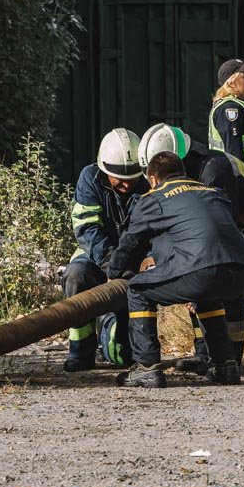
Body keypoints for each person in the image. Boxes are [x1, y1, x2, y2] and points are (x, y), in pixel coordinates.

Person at [102, 151, 244, 388]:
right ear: (182, 172)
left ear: (152, 179)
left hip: (203, 271)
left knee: (138, 290)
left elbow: (131, 242)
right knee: (207, 296)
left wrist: (114, 271)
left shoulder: (155, 198)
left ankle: (146, 367)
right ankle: (226, 365)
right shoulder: (211, 191)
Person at [138, 124, 244, 369]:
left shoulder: (213, 171)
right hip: (227, 223)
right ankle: (204, 354)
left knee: (231, 280)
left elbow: (223, 225)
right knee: (198, 277)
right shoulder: (186, 172)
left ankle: (231, 358)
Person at [61, 128, 149, 372]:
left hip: (134, 262)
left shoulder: (148, 186)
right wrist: (111, 265)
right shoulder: (89, 178)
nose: (126, 183)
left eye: (132, 177)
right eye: (119, 178)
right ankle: (80, 352)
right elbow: (87, 229)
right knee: (75, 276)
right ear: (104, 170)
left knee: (125, 357)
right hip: (94, 255)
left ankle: (107, 329)